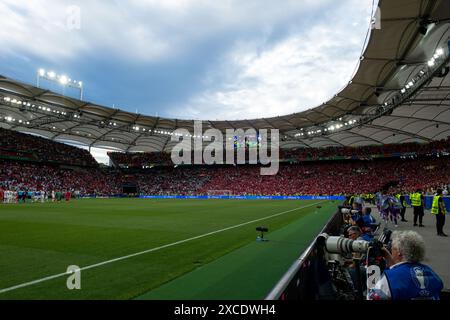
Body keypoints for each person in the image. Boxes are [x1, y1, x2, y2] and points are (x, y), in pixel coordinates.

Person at [368, 230, 443, 300]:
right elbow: (404, 272)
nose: (391, 250)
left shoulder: (388, 279)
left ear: (399, 251)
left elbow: (371, 297)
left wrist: (372, 273)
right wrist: (387, 255)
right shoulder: (431, 273)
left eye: (392, 248)